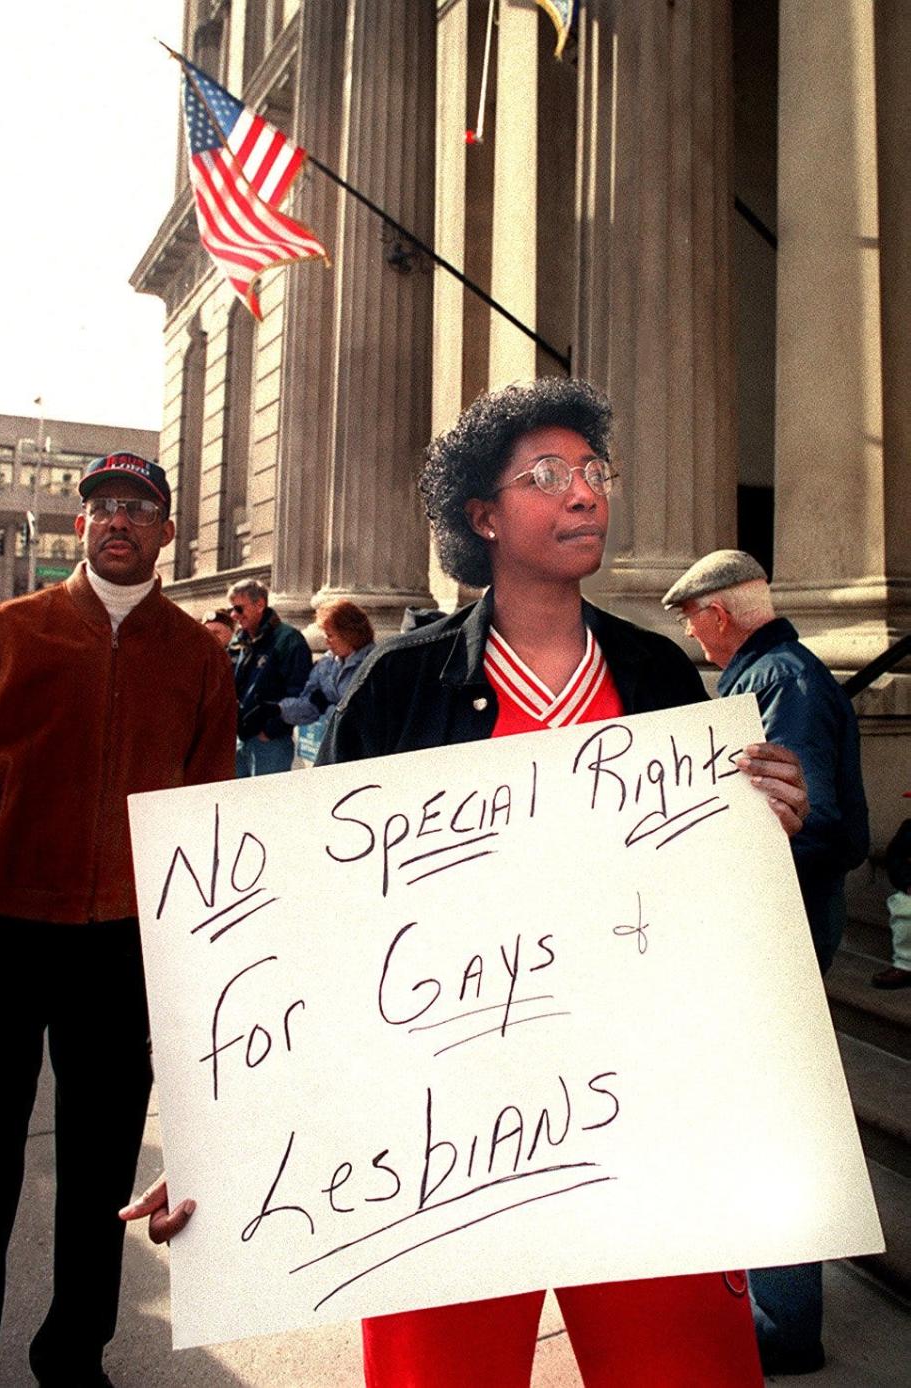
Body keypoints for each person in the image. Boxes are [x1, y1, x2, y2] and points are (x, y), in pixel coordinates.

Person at [125, 378, 808, 1386]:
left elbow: (711, 917)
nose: (583, 494)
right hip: (440, 1144)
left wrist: (767, 820)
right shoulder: (398, 687)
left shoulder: (661, 676)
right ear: (481, 515)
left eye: (592, 472)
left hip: (646, 1126)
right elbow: (312, 929)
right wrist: (232, 1128)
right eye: (546, 475)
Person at [0, 451, 237, 1388]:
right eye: (103, 506)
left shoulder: (199, 657)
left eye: (139, 507)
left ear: (165, 532)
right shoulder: (6, 635)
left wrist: (194, 964)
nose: (118, 519)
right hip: (0, 929)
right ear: (80, 526)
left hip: (124, 946)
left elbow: (210, 816)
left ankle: (73, 1355)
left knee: (102, 1168)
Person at [662, 547, 870, 1377]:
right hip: (777, 924)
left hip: (778, 927)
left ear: (716, 614)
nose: (690, 633)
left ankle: (784, 1325)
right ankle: (776, 1311)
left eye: (689, 618)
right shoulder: (784, 672)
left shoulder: (779, 679)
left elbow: (810, 824)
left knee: (773, 1122)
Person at [227, 579, 312, 776]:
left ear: (259, 605)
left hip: (270, 742)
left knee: (265, 802)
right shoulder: (239, 640)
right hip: (240, 739)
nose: (234, 615)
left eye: (239, 609)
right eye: (231, 609)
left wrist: (271, 731)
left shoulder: (289, 639)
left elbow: (300, 691)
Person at [270, 599, 375, 730]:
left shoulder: (373, 662)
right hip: (332, 739)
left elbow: (366, 715)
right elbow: (309, 704)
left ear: (349, 634)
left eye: (330, 636)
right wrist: (278, 709)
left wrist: (329, 709)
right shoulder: (327, 662)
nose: (326, 642)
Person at [872, 797, 911, 989]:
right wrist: (907, 882)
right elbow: (895, 859)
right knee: (905, 909)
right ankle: (905, 964)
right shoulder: (908, 830)